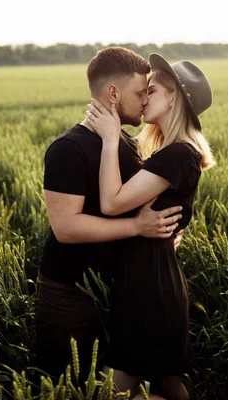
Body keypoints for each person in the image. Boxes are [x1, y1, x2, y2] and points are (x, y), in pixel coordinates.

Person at [36, 47, 185, 380]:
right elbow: (66, 228)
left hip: (121, 290)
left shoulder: (129, 145)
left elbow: (146, 206)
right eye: (139, 92)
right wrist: (138, 228)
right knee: (68, 385)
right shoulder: (67, 149)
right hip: (69, 294)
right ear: (113, 93)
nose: (145, 101)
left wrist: (162, 235)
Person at [85, 53, 215, 399]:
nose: (143, 98)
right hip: (147, 280)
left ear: (174, 97)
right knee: (165, 383)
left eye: (151, 91)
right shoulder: (173, 152)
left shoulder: (178, 155)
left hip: (151, 288)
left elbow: (112, 203)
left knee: (118, 389)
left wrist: (111, 138)